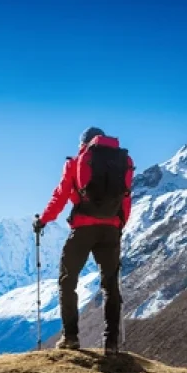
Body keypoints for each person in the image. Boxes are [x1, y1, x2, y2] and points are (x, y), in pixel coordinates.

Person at [33, 127, 133, 355]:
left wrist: (43, 221)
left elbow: (60, 196)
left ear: (83, 143)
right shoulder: (122, 162)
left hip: (83, 230)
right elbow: (125, 199)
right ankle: (111, 343)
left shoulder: (76, 163)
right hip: (110, 230)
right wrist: (118, 226)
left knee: (68, 282)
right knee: (110, 285)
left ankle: (70, 338)